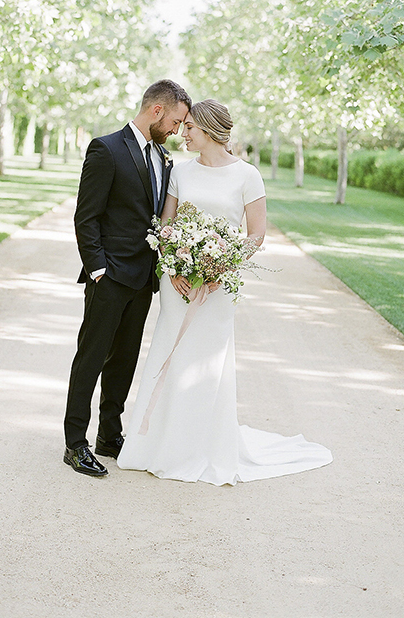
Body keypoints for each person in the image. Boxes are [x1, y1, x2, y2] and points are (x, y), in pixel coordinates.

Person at [117, 99, 333, 485]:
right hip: (177, 285)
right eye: (183, 128)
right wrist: (173, 266)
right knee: (169, 352)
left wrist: (222, 266)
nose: (183, 133)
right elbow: (166, 226)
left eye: (190, 129)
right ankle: (154, 445)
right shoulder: (179, 172)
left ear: (211, 131)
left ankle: (200, 447)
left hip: (218, 286)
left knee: (205, 363)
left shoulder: (247, 176)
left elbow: (256, 235)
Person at [63, 79, 192, 477]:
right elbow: (87, 217)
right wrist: (99, 269)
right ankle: (75, 444)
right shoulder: (106, 149)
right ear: (156, 111)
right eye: (175, 121)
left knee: (124, 362)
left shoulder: (164, 158)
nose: (176, 129)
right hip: (110, 277)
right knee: (91, 358)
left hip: (142, 281)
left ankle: (109, 435)